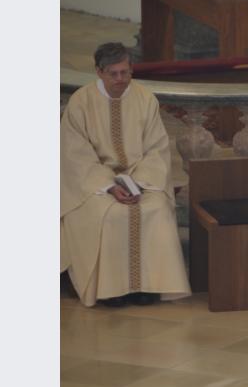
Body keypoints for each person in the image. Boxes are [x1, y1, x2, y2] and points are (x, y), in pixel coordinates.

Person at [61, 43, 191, 307]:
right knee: (109, 214)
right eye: (113, 74)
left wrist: (139, 184)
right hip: (94, 184)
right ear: (99, 72)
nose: (121, 79)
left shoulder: (145, 99)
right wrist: (109, 186)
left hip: (141, 179)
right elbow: (75, 156)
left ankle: (148, 287)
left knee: (156, 209)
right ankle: (112, 290)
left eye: (125, 72)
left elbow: (156, 149)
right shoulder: (81, 102)